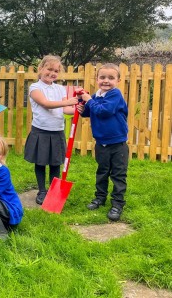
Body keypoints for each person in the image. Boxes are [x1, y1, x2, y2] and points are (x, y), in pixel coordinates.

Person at [23, 55, 79, 205]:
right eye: (49, 69)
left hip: (57, 131)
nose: (52, 73)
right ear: (41, 69)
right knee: (40, 162)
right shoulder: (35, 88)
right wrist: (68, 102)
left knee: (55, 163)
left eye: (56, 71)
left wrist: (77, 109)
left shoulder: (60, 88)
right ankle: (42, 190)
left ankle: (54, 191)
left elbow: (65, 108)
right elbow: (46, 104)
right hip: (41, 130)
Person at [77, 63, 128, 221]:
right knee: (102, 172)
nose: (106, 81)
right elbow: (89, 111)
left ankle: (117, 204)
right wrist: (82, 107)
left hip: (117, 143)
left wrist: (88, 101)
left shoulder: (115, 95)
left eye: (111, 78)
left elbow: (104, 111)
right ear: (97, 79)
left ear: (118, 80)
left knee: (118, 174)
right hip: (101, 143)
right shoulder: (95, 96)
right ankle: (100, 198)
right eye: (102, 77)